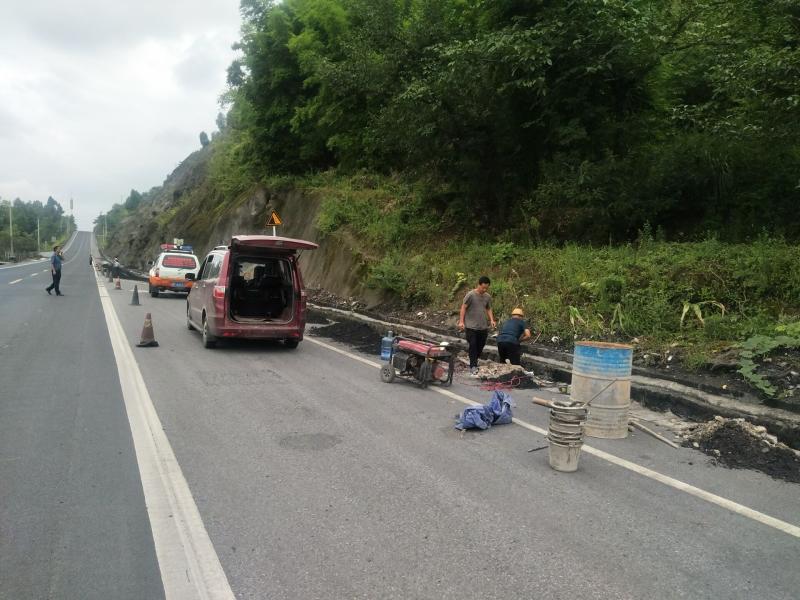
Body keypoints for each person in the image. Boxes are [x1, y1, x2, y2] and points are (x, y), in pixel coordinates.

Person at [458, 275, 496, 375]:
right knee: (473, 345)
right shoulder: (470, 295)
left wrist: (492, 320)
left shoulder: (487, 297)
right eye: (483, 287)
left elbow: (488, 308)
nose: (484, 290)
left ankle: (474, 359)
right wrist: (461, 321)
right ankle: (473, 365)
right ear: (478, 285)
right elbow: (463, 307)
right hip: (471, 326)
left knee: (481, 345)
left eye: (486, 288)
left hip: (483, 326)